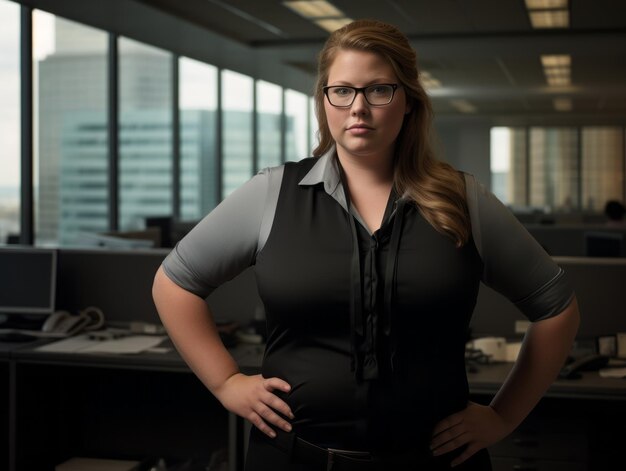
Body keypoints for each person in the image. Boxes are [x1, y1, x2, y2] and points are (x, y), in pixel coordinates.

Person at [152, 19, 580, 471]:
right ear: (325, 101)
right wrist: (225, 382)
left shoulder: (462, 198)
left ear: (409, 102)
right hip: (295, 459)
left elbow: (557, 308)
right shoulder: (273, 193)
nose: (359, 108)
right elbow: (174, 284)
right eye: (342, 91)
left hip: (434, 462)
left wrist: (502, 416)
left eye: (379, 90)